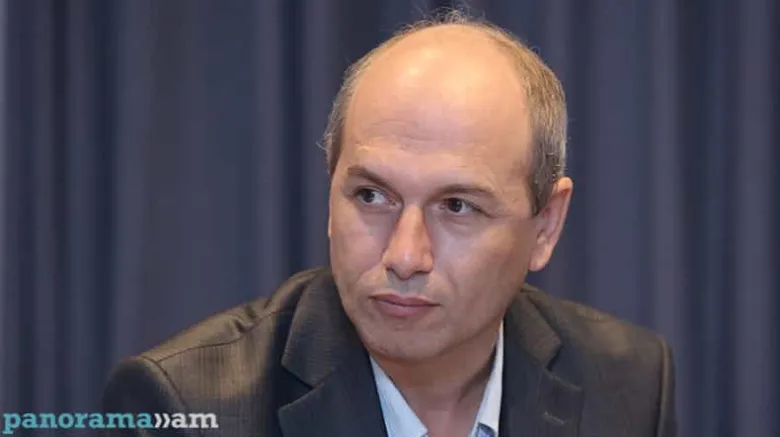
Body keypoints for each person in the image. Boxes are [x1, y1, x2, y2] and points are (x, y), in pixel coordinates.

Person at [102, 12, 677, 437]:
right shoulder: (182, 409)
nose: (404, 256)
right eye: (372, 196)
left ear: (545, 225)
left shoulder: (628, 383)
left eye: (457, 206)